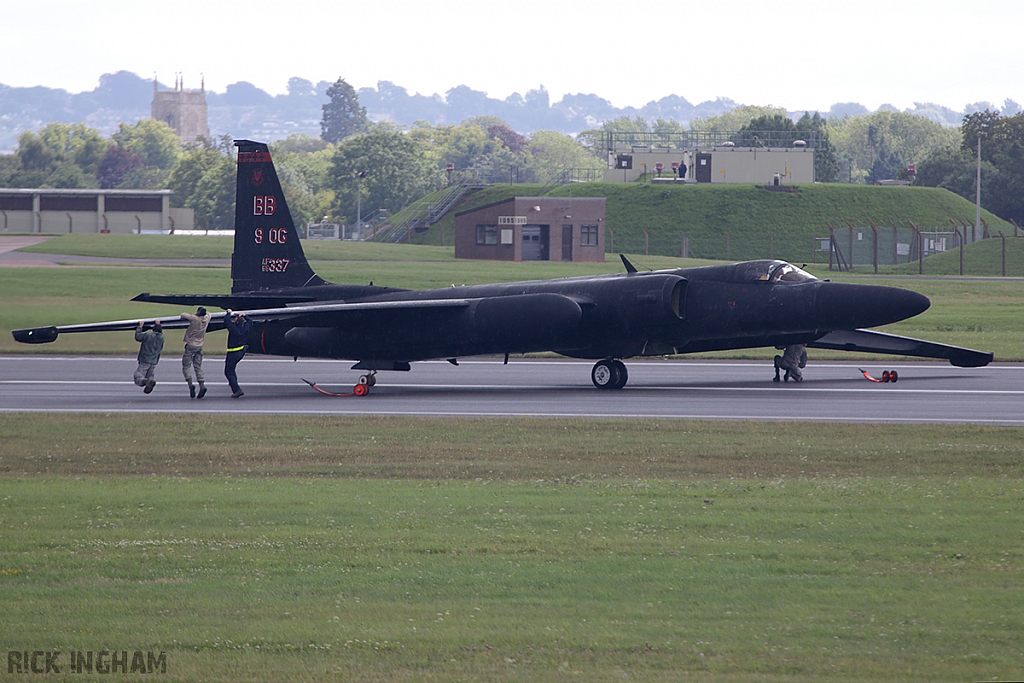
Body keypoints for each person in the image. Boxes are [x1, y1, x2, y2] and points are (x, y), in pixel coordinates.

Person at [180, 306, 211, 398]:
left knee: (186, 366)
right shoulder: (207, 318)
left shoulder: (194, 319)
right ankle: (202, 385)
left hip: (190, 345)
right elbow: (209, 313)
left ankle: (190, 384)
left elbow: (183, 314)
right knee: (198, 366)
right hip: (200, 345)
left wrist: (194, 315)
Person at [223, 309, 253, 398]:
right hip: (241, 351)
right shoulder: (246, 327)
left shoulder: (234, 329)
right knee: (232, 371)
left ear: (236, 322)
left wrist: (228, 313)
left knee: (228, 371)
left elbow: (227, 321)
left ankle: (236, 389)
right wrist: (244, 315)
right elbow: (250, 321)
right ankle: (234, 385)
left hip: (233, 352)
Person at [133, 320, 164, 394]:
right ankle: (149, 382)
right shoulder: (161, 337)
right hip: (154, 361)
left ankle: (145, 382)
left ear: (153, 330)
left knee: (137, 376)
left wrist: (140, 327)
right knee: (150, 375)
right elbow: (159, 332)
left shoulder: (148, 335)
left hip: (145, 359)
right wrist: (158, 324)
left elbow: (138, 337)